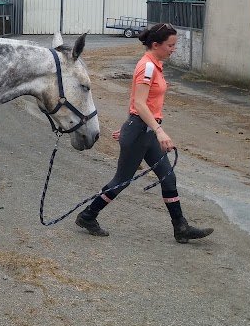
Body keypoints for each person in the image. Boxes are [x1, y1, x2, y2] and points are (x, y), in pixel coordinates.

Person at [75, 23, 214, 243]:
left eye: (174, 45)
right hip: (143, 132)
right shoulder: (147, 67)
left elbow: (139, 102)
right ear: (156, 45)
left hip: (144, 131)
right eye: (170, 45)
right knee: (121, 181)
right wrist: (157, 131)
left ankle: (181, 227)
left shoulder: (155, 65)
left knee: (169, 177)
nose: (173, 49)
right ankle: (87, 215)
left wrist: (132, 124)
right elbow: (139, 103)